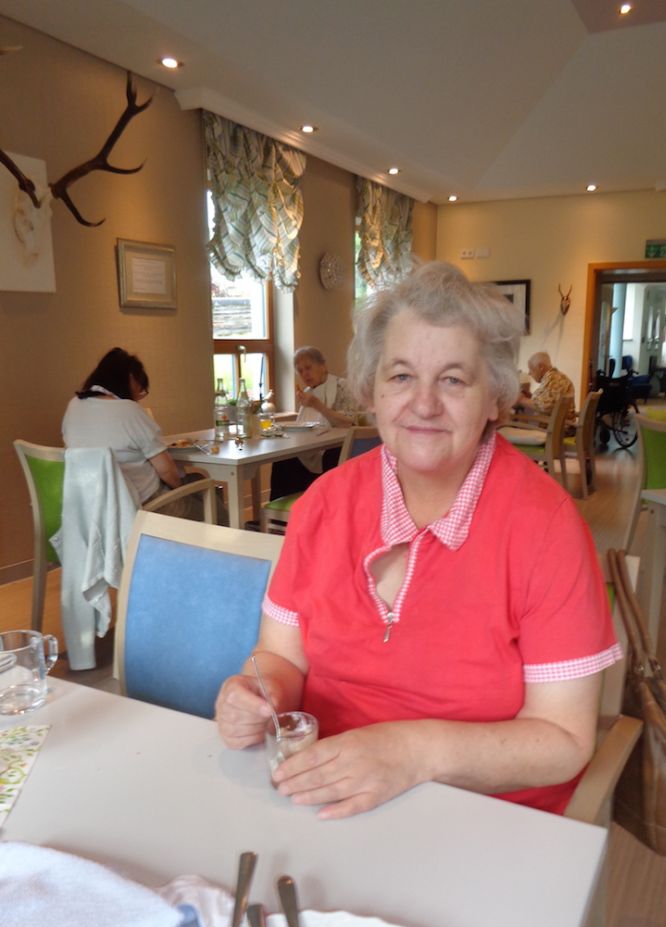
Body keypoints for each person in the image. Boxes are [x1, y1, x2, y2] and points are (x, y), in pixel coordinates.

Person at [216, 262, 619, 820]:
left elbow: (564, 740)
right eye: (402, 376)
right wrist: (259, 694)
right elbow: (280, 657)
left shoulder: (547, 528)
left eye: (453, 379)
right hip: (325, 791)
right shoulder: (321, 507)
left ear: (495, 398)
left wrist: (409, 752)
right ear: (372, 391)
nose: (424, 404)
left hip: (482, 817)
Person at [62, 347, 205, 519]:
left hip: (92, 507)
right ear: (130, 378)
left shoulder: (74, 405)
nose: (138, 395)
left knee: (195, 482)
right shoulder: (129, 410)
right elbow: (167, 471)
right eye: (140, 387)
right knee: (206, 493)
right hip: (144, 506)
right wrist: (181, 491)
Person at [269, 346, 355, 499]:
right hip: (312, 448)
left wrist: (317, 405)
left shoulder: (343, 386)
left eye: (308, 368)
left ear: (322, 365)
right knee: (282, 462)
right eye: (300, 371)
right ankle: (280, 509)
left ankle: (323, 503)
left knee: (330, 455)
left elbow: (349, 423)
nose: (305, 374)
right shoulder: (307, 393)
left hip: (337, 451)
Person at [516, 351, 576, 428]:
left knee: (513, 425)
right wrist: (530, 397)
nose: (529, 373)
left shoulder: (554, 380)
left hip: (556, 430)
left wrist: (521, 400)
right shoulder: (555, 377)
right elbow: (548, 401)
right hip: (558, 426)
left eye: (530, 369)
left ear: (541, 367)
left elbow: (544, 406)